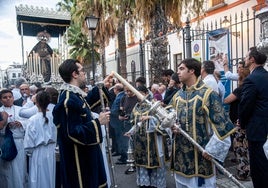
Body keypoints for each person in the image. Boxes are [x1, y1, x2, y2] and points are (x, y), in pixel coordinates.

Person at [170, 58, 235, 188]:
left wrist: (211, 150)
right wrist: (172, 127)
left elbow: (223, 127)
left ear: (192, 71)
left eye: (181, 69)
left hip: (200, 156)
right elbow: (169, 118)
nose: (178, 72)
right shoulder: (178, 96)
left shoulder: (207, 94)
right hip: (180, 157)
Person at [52, 59, 111, 188]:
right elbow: (72, 132)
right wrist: (98, 122)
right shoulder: (67, 100)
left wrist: (100, 87)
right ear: (74, 74)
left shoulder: (74, 95)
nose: (85, 73)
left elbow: (83, 107)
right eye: (82, 71)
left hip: (87, 155)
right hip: (79, 160)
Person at [125, 85, 169, 187]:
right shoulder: (136, 107)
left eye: (140, 93)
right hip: (140, 141)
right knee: (142, 162)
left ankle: (156, 184)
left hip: (153, 140)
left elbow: (164, 121)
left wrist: (149, 118)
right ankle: (145, 183)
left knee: (155, 163)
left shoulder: (153, 104)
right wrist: (131, 131)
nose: (138, 96)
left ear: (145, 93)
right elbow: (134, 122)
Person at [238, 47, 268, 188]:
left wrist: (242, 123)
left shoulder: (251, 79)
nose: (244, 59)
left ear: (252, 59)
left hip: (257, 131)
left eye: (246, 56)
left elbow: (246, 105)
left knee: (258, 168)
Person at [24, 90, 57, 188]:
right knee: (50, 177)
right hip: (52, 151)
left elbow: (29, 142)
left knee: (38, 178)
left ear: (36, 103)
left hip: (38, 152)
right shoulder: (54, 117)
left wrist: (29, 152)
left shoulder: (32, 120)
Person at [224, 61, 250, 181]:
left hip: (239, 122)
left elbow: (227, 100)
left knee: (240, 149)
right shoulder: (245, 87)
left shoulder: (241, 89)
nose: (238, 70)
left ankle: (243, 173)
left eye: (240, 68)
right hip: (240, 120)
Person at [0, 89, 28, 188]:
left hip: (19, 142)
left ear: (13, 97)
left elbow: (29, 121)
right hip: (5, 142)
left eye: (10, 97)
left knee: (20, 167)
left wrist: (21, 123)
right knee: (6, 169)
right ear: (1, 100)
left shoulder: (21, 109)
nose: (8, 99)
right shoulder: (0, 111)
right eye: (5, 97)